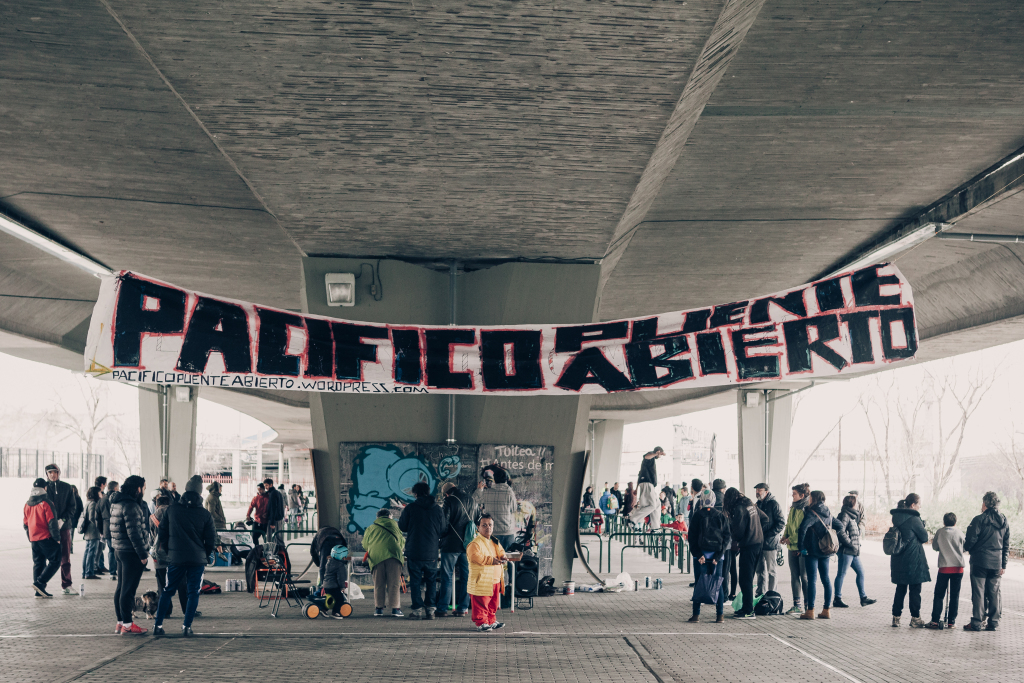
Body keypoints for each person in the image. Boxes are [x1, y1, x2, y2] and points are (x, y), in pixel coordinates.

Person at [153, 476, 218, 637]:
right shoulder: (204, 514)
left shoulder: (172, 510)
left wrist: (169, 551)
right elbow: (211, 540)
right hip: (197, 560)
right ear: (200, 493)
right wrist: (205, 554)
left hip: (175, 559)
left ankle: (158, 625)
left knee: (168, 591)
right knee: (193, 592)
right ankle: (186, 627)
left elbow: (162, 533)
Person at [963, 491, 1010, 632]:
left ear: (984, 504)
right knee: (994, 592)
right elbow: (1006, 544)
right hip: (996, 563)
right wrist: (1003, 564)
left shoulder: (979, 519)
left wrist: (967, 548)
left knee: (979, 592)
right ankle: (993, 622)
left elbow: (970, 540)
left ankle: (977, 622)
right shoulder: (1004, 521)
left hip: (980, 561)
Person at [110, 475, 150, 635]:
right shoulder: (131, 506)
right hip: (131, 552)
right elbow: (135, 534)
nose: (144, 491)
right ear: (138, 489)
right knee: (128, 590)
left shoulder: (116, 503)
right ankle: (127, 624)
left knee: (121, 588)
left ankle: (121, 622)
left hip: (119, 550)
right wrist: (143, 554)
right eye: (144, 488)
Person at [398, 481, 444, 619]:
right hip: (431, 552)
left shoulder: (410, 508)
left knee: (416, 582)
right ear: (428, 492)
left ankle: (417, 610)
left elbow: (402, 526)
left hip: (414, 551)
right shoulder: (438, 509)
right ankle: (430, 610)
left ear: (415, 493)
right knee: (431, 581)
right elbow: (443, 529)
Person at [797, 490, 841, 620]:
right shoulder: (828, 512)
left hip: (812, 551)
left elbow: (803, 528)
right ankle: (826, 610)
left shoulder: (812, 512)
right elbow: (840, 525)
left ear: (814, 498)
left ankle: (810, 611)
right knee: (826, 579)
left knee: (812, 580)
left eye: (810, 497)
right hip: (825, 550)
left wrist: (802, 547)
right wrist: (827, 535)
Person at [687, 490, 730, 623]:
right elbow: (727, 537)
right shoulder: (721, 516)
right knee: (718, 584)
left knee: (699, 584)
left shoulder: (697, 515)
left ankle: (696, 615)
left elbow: (692, 538)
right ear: (714, 500)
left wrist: (698, 555)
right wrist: (718, 556)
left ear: (702, 500)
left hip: (701, 557)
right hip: (717, 558)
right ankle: (720, 616)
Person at [890, 493, 931, 628]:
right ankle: (915, 618)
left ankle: (896, 617)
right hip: (913, 559)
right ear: (913, 505)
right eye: (919, 504)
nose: (919, 507)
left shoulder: (896, 517)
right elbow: (924, 537)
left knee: (900, 588)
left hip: (898, 558)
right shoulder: (914, 519)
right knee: (915, 589)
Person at [724, 487, 765, 619]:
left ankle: (748, 610)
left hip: (749, 545)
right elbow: (765, 518)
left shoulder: (739, 508)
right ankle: (746, 607)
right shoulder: (749, 503)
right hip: (758, 543)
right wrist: (757, 530)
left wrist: (733, 533)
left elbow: (738, 531)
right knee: (748, 578)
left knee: (745, 579)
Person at [466, 513, 508, 632]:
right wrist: (491, 560)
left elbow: (501, 551)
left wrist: (503, 556)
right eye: (484, 525)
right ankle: (481, 622)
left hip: (495, 580)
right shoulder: (474, 543)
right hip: (482, 580)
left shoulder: (494, 540)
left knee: (493, 603)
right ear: (478, 527)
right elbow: (475, 557)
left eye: (490, 525)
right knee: (481, 602)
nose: (488, 527)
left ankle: (491, 621)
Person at [833, 494, 876, 608]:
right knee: (841, 574)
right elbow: (840, 532)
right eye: (857, 503)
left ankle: (863, 598)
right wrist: (850, 544)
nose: (858, 505)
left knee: (861, 572)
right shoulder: (845, 515)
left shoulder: (852, 516)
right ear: (852, 503)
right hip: (846, 551)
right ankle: (837, 599)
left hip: (853, 551)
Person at [437, 482, 473, 618]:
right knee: (467, 577)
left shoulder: (449, 501)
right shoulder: (471, 499)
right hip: (468, 544)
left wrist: (441, 537)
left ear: (446, 493)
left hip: (451, 545)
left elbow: (444, 523)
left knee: (446, 576)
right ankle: (463, 608)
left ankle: (442, 608)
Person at [43, 464, 78, 595]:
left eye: (55, 472)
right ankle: (41, 585)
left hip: (64, 527)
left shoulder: (67, 487)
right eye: (50, 472)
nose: (52, 475)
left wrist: (62, 520)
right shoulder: (44, 488)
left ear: (59, 473)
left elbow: (72, 507)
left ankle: (67, 585)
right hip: (48, 528)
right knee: (44, 558)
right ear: (46, 474)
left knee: (65, 557)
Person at [151, 495, 188, 620]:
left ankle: (166, 611)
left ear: (157, 505)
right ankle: (187, 610)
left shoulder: (152, 518)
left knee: (162, 585)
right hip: (175, 555)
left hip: (159, 557)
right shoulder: (176, 514)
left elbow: (150, 537)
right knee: (182, 583)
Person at [363, 508, 405, 617]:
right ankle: (395, 609)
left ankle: (379, 609)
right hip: (394, 557)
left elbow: (365, 544)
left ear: (378, 517)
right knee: (394, 584)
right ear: (389, 516)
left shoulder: (371, 528)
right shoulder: (395, 526)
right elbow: (401, 543)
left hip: (376, 558)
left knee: (378, 584)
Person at [927, 512, 965, 629]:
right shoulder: (960, 532)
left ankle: (935, 620)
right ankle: (951, 622)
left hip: (944, 568)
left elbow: (934, 547)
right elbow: (965, 547)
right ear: (955, 521)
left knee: (939, 594)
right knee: (954, 595)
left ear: (944, 522)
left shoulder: (940, 532)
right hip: (958, 568)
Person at [25, 477, 61, 597]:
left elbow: (25, 524)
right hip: (45, 537)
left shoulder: (27, 504)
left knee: (38, 563)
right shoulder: (46, 502)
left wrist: (30, 537)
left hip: (34, 539)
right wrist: (57, 538)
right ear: (44, 488)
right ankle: (40, 583)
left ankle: (38, 591)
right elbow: (52, 521)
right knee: (56, 559)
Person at [781, 483, 810, 615]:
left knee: (804, 577)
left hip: (803, 548)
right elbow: (789, 524)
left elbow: (802, 530)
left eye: (794, 494)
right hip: (791, 547)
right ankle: (796, 605)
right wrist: (785, 536)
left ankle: (808, 605)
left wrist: (791, 540)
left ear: (802, 495)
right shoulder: (793, 507)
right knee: (794, 576)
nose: (792, 496)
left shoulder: (806, 508)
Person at [472, 467, 517, 550]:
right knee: (509, 560)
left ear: (495, 480)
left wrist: (479, 489)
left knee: (492, 560)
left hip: (492, 532)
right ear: (506, 479)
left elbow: (474, 500)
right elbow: (514, 509)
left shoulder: (487, 492)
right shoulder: (510, 493)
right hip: (508, 532)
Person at [754, 483, 785, 597]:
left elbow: (781, 523)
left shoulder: (774, 504)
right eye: (756, 490)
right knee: (760, 571)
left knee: (771, 571)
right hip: (759, 543)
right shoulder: (757, 504)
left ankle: (772, 594)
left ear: (766, 491)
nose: (757, 492)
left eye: (759, 490)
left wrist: (768, 535)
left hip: (770, 543)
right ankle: (760, 594)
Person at [628, 447, 664, 530]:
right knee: (652, 505)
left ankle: (655, 527)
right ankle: (633, 520)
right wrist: (656, 454)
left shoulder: (650, 462)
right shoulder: (650, 456)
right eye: (660, 454)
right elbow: (646, 456)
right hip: (647, 483)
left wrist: (636, 489)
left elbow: (639, 474)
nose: (660, 456)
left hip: (649, 485)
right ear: (658, 452)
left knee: (657, 504)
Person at [79, 486, 103, 580]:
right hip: (93, 532)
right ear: (96, 494)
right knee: (91, 553)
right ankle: (89, 573)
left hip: (88, 532)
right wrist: (99, 528)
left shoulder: (88, 502)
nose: (101, 494)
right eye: (100, 493)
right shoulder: (93, 503)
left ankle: (85, 572)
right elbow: (92, 518)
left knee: (87, 552)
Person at [322, 543, 350, 619]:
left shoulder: (329, 561)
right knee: (340, 599)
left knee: (331, 598)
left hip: (326, 585)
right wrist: (342, 587)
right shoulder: (340, 565)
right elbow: (341, 578)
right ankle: (335, 612)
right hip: (334, 585)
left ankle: (324, 610)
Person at [102, 481, 120, 581]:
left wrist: (101, 530)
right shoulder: (117, 498)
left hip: (106, 529)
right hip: (116, 527)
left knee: (111, 550)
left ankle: (112, 572)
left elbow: (97, 516)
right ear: (116, 488)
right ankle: (118, 570)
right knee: (118, 549)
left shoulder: (102, 499)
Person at [94, 476, 109, 574]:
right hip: (99, 527)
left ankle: (100, 565)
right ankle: (96, 567)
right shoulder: (99, 495)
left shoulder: (95, 493)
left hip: (100, 526)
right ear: (103, 484)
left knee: (101, 548)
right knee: (98, 548)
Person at [263, 478, 286, 542]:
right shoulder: (277, 492)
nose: (265, 487)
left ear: (271, 485)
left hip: (274, 519)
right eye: (264, 486)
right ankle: (280, 550)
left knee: (272, 538)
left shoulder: (273, 494)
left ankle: (273, 551)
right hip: (279, 518)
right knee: (278, 537)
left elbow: (273, 508)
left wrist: (272, 522)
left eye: (267, 485)